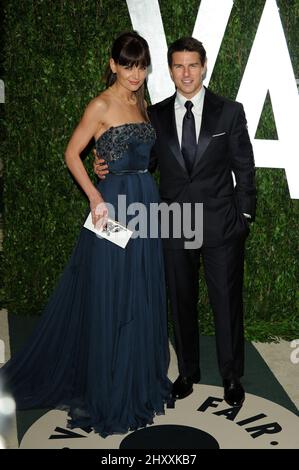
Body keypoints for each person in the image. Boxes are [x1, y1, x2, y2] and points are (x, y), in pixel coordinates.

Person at [1, 31, 172, 438]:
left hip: (145, 201)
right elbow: (70, 152)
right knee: (113, 293)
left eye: (142, 65)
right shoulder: (100, 104)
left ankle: (138, 377)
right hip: (112, 206)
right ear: (112, 64)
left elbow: (135, 156)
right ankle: (111, 387)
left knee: (140, 290)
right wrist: (95, 194)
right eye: (128, 64)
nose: (135, 73)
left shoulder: (140, 102)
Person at [95, 37, 256, 407]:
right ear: (170, 70)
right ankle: (187, 372)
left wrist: (243, 217)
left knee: (226, 303)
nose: (186, 73)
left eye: (193, 65)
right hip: (174, 221)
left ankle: (231, 376)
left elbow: (244, 170)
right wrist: (103, 163)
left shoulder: (229, 112)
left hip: (220, 224)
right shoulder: (156, 114)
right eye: (179, 66)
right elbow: (141, 159)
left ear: (204, 67)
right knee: (180, 302)